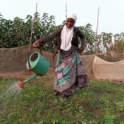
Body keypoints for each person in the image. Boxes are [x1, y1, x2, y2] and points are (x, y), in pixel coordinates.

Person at [33, 13, 89, 97]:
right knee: (58, 71)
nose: (69, 24)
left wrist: (82, 47)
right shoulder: (60, 29)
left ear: (74, 22)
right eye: (68, 21)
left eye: (72, 22)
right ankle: (57, 89)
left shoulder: (76, 30)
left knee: (69, 73)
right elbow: (50, 36)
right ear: (66, 20)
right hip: (62, 53)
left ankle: (66, 92)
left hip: (72, 53)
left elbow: (83, 37)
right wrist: (40, 40)